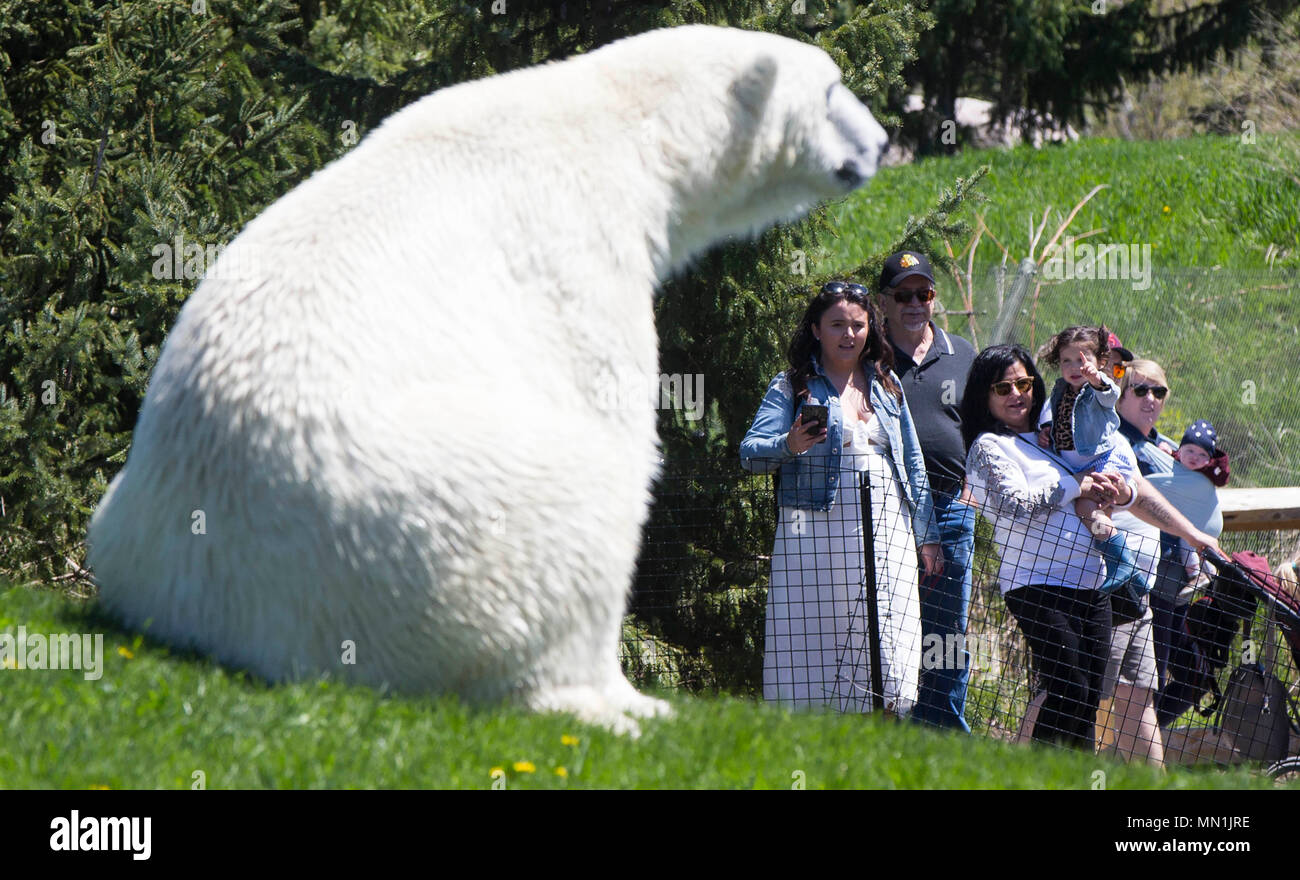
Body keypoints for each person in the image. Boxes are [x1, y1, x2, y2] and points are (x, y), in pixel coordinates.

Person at [962, 345, 1221, 750]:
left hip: (1093, 584)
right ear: (984, 395)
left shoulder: (1059, 434)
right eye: (1003, 387)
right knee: (1070, 688)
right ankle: (1031, 778)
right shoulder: (989, 448)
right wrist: (1075, 486)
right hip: (1036, 585)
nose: (1017, 394)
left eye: (1024, 383)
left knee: (1088, 703)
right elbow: (1014, 505)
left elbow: (1131, 489)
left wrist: (1179, 527)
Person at [741, 280, 942, 716]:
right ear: (816, 329)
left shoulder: (887, 384)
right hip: (814, 535)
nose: (848, 334)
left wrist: (927, 533)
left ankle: (881, 745)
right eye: (836, 325)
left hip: (888, 527)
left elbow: (912, 461)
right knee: (818, 640)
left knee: (887, 640)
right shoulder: (793, 385)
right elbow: (750, 455)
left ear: (871, 329)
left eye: (857, 325)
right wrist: (790, 445)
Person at [874, 250, 978, 732]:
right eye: (903, 294)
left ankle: (943, 736)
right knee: (890, 625)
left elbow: (988, 431)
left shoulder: (963, 354)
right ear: (885, 302)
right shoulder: (869, 359)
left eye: (925, 293)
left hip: (952, 511)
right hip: (887, 511)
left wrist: (973, 493)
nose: (915, 303)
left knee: (948, 634)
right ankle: (893, 732)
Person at [1114, 361, 1226, 728]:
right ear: (1121, 394)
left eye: (1158, 391)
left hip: (1175, 583)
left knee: (1195, 676)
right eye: (1140, 389)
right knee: (1139, 681)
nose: (1150, 398)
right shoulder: (1118, 444)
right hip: (1135, 577)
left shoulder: (1163, 449)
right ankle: (1126, 754)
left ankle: (1133, 746)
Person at [1036, 326, 1148, 598]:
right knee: (1085, 510)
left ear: (1100, 361)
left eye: (1083, 358)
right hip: (1077, 466)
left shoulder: (1097, 389)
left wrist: (1096, 378)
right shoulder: (1061, 388)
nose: (1076, 366)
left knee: (1087, 509)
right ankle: (1129, 573)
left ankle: (1119, 558)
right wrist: (1048, 429)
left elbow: (1109, 395)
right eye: (1067, 360)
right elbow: (1062, 418)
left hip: (1102, 460)